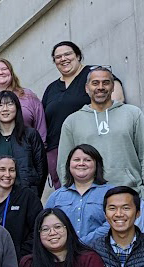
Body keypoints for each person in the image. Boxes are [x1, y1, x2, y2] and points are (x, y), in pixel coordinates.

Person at [57, 66, 144, 206]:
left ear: (112, 87)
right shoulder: (72, 121)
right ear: (87, 88)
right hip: (88, 200)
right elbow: (64, 163)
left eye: (105, 83)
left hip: (130, 196)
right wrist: (72, 196)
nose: (100, 87)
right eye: (95, 83)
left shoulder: (132, 114)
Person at [0, 91, 47, 195]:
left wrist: (33, 194)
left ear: (17, 108)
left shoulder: (30, 135)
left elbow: (41, 169)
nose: (5, 109)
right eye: (0, 105)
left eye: (10, 104)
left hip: (26, 195)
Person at [42, 41, 92, 187]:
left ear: (77, 55)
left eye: (67, 54)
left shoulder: (92, 75)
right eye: (58, 57)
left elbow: (114, 96)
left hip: (86, 144)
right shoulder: (51, 88)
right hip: (56, 149)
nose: (63, 58)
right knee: (63, 194)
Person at [45, 144, 110, 244]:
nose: (81, 163)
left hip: (101, 252)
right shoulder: (56, 196)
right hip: (64, 254)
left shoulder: (110, 193)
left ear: (97, 164)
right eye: (76, 160)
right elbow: (45, 224)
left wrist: (82, 243)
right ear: (69, 165)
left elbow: (113, 222)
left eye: (87, 160)